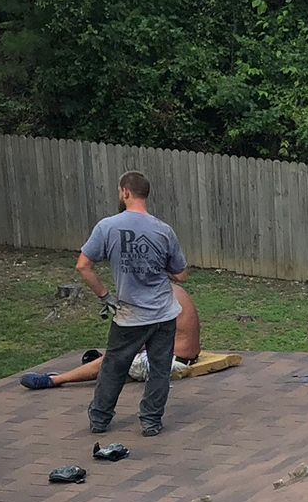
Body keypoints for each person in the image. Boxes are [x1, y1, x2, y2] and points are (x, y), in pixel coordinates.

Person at [74, 171, 189, 437]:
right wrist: (161, 269)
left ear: (125, 192)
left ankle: (100, 419)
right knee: (159, 369)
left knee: (114, 365)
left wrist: (105, 297)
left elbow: (83, 266)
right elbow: (181, 274)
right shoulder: (163, 230)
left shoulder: (107, 227)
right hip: (163, 314)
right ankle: (151, 422)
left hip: (129, 314)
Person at [22, 283, 202, 390]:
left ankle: (54, 380)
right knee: (116, 356)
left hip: (170, 362)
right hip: (183, 355)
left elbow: (135, 340)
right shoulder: (173, 289)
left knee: (114, 358)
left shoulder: (155, 297)